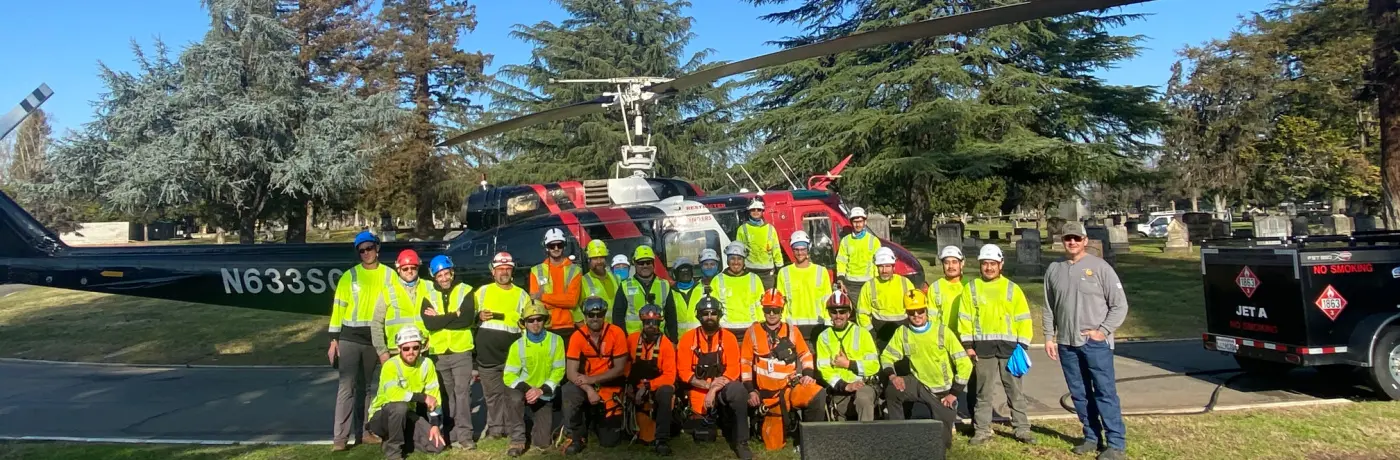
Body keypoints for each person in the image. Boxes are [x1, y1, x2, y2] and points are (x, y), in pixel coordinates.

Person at [1043, 222, 1130, 460]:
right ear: (1062, 241)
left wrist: (1103, 331)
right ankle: (1092, 437)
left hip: (1095, 344)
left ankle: (1115, 443)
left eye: (1076, 238)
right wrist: (1049, 336)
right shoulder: (1054, 269)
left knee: (1104, 392)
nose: (1072, 242)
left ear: (1085, 240)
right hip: (1067, 344)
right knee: (1079, 393)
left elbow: (1119, 305)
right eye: (1067, 238)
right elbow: (1049, 306)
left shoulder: (1100, 268)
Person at [956, 244, 1035, 445]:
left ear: (1001, 264)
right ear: (980, 265)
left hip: (1010, 349)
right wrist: (968, 345)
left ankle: (1022, 429)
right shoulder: (971, 288)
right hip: (983, 349)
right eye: (985, 264)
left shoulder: (1012, 289)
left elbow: (1024, 319)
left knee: (1015, 391)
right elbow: (964, 319)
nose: (989, 268)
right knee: (983, 393)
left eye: (993, 263)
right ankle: (982, 431)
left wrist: (1022, 346)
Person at [880, 290, 972, 450]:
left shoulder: (942, 332)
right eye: (911, 312)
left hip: (942, 391)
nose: (916, 315)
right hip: (918, 382)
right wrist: (893, 376)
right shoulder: (903, 332)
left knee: (943, 445)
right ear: (906, 313)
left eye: (920, 311)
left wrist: (953, 394)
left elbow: (965, 364)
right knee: (892, 390)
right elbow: (886, 356)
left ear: (926, 310)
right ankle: (898, 437)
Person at [741, 289, 828, 452]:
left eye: (776, 310)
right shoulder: (752, 332)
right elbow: (745, 363)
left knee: (817, 393)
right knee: (773, 447)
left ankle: (809, 441)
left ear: (782, 311)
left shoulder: (792, 331)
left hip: (791, 389)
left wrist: (808, 375)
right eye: (768, 309)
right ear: (763, 310)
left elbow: (806, 355)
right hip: (768, 397)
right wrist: (750, 391)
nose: (772, 313)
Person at [329, 230, 393, 450]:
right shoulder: (350, 276)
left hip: (374, 338)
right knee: (346, 387)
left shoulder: (389, 275)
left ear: (377, 248)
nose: (367, 253)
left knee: (366, 388)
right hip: (349, 337)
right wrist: (333, 339)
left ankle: (363, 433)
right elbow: (338, 308)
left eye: (370, 248)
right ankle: (340, 438)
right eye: (362, 250)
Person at [676, 295, 753, 460]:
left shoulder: (729, 338)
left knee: (738, 390)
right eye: (705, 313)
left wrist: (714, 388)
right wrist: (706, 386)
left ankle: (741, 442)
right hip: (698, 392)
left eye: (713, 313)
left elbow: (733, 369)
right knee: (703, 433)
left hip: (723, 388)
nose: (709, 317)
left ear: (719, 315)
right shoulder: (687, 339)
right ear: (698, 316)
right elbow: (683, 371)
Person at [419, 255, 477, 450]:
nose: (444, 278)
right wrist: (454, 315)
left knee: (462, 394)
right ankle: (450, 434)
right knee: (446, 395)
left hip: (461, 350)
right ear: (434, 277)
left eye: (446, 274)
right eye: (440, 275)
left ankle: (465, 436)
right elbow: (430, 323)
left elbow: (467, 320)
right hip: (439, 353)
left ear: (452, 272)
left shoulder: (466, 291)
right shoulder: (428, 296)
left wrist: (442, 319)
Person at [365, 326, 446, 460]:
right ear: (399, 349)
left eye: (415, 348)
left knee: (437, 446)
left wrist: (435, 424)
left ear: (421, 348)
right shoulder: (390, 365)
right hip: (381, 416)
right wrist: (423, 397)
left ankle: (395, 441)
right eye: (406, 348)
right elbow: (393, 394)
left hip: (407, 415)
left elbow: (434, 397)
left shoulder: (427, 364)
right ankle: (394, 453)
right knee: (399, 407)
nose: (411, 352)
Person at [562, 297, 630, 455]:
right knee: (569, 390)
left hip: (610, 387)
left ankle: (594, 421)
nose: (595, 318)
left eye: (599, 314)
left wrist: (593, 380)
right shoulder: (577, 336)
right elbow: (571, 372)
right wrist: (589, 389)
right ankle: (575, 436)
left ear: (604, 315)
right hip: (586, 386)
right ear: (585, 316)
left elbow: (619, 369)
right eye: (590, 315)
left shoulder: (616, 333)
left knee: (610, 442)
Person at [474, 252, 530, 440]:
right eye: (500, 269)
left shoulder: (521, 295)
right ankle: (496, 430)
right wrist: (478, 316)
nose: (504, 272)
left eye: (507, 268)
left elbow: (529, 324)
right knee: (492, 395)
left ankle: (513, 428)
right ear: (493, 271)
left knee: (512, 395)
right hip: (487, 354)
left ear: (512, 271)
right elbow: (467, 317)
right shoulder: (482, 292)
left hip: (512, 355)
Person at [502, 301, 567, 457]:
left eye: (539, 319)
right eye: (530, 320)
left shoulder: (556, 340)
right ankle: (517, 440)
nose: (535, 323)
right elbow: (509, 375)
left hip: (543, 392)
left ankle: (530, 424)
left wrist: (541, 390)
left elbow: (559, 370)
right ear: (524, 323)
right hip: (523, 390)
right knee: (514, 399)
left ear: (545, 320)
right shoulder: (517, 345)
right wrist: (528, 389)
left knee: (542, 443)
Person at [814, 290, 879, 421]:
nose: (838, 316)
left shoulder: (862, 334)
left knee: (863, 399)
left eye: (842, 311)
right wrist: (845, 386)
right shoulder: (823, 337)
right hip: (839, 389)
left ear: (849, 313)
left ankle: (867, 440)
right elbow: (825, 370)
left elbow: (874, 366)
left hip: (863, 386)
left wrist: (849, 364)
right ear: (829, 314)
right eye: (834, 312)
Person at [624, 304, 677, 455]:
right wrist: (628, 384)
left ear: (660, 324)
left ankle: (662, 440)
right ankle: (628, 427)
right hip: (635, 386)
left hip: (656, 388)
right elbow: (625, 364)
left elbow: (669, 375)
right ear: (643, 323)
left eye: (655, 323)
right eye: (648, 323)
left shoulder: (666, 345)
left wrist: (647, 386)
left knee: (666, 391)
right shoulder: (632, 340)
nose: (651, 326)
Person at [776, 230, 833, 346]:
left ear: (808, 249)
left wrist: (828, 325)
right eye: (796, 249)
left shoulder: (821, 272)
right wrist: (781, 325)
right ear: (792, 250)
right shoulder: (784, 273)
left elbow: (827, 300)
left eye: (802, 249)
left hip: (817, 325)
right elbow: (781, 303)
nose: (800, 253)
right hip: (793, 327)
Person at [373, 249, 431, 363]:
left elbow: (440, 317)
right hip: (396, 351)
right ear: (398, 269)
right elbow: (376, 323)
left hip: (424, 350)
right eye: (405, 268)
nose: (409, 271)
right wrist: (382, 351)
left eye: (413, 267)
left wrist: (433, 340)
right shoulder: (388, 291)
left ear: (418, 267)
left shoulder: (430, 287)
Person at [856, 247, 915, 347]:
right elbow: (862, 314)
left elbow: (915, 308)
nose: (884, 270)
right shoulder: (869, 286)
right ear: (876, 267)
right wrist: (871, 332)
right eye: (881, 266)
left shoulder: (905, 283)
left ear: (893, 267)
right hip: (880, 334)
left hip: (903, 330)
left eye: (887, 266)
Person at [530, 228, 583, 338]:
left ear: (564, 245)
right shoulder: (536, 271)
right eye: (551, 246)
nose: (556, 248)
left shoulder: (575, 270)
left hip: (569, 326)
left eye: (559, 244)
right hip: (545, 326)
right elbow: (536, 303)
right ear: (546, 247)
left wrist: (543, 297)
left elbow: (572, 301)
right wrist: (563, 300)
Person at [614, 245, 675, 337]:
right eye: (641, 263)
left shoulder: (664, 285)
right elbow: (618, 317)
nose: (645, 266)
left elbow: (671, 316)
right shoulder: (625, 286)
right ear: (634, 263)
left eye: (648, 262)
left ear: (653, 263)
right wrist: (622, 341)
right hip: (633, 341)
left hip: (658, 340)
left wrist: (673, 339)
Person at [711, 242, 763, 342]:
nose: (736, 262)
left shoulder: (754, 279)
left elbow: (760, 305)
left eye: (739, 259)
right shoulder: (717, 280)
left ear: (744, 260)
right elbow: (714, 308)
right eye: (732, 258)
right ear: (727, 260)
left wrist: (760, 327)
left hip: (750, 329)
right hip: (726, 330)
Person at [734, 199, 784, 289]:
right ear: (749, 211)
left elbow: (776, 249)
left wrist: (780, 267)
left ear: (762, 211)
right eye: (753, 210)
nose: (756, 212)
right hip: (750, 270)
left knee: (768, 299)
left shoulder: (770, 229)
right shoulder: (742, 229)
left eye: (759, 209)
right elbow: (738, 251)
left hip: (767, 273)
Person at [835, 207, 881, 301]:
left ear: (865, 222)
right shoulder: (845, 241)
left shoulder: (874, 241)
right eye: (855, 222)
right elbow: (841, 262)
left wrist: (877, 281)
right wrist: (841, 279)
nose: (858, 224)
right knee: (857, 312)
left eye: (860, 221)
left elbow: (878, 263)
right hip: (851, 284)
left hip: (869, 283)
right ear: (851, 223)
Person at [580, 240, 621, 319]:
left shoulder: (616, 278)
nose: (599, 261)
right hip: (595, 329)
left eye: (602, 257)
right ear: (588, 260)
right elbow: (578, 310)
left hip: (615, 328)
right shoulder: (582, 281)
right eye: (595, 258)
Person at [667, 257, 704, 339]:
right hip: (679, 340)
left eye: (687, 270)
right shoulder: (670, 292)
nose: (685, 273)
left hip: (700, 339)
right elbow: (669, 318)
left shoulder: (702, 289)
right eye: (681, 271)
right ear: (675, 274)